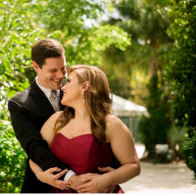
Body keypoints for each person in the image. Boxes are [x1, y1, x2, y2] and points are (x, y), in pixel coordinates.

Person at [8, 39, 119, 193]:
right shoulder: (20, 104)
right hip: (44, 184)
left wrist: (113, 174)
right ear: (36, 66)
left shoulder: (77, 87)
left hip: (94, 185)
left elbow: (104, 129)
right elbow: (35, 148)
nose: (61, 75)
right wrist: (69, 178)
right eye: (53, 70)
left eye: (63, 68)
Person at [29, 65, 141, 193]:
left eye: (69, 81)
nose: (62, 87)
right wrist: (41, 175)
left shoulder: (111, 124)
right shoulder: (57, 120)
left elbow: (133, 166)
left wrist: (107, 180)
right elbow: (35, 154)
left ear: (84, 86)